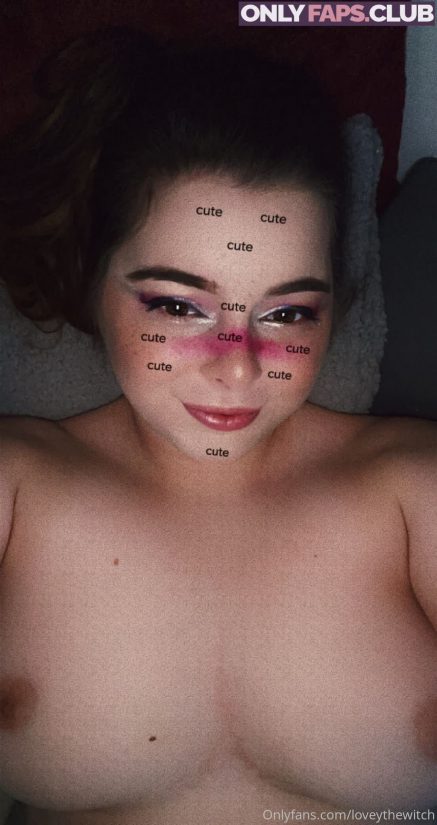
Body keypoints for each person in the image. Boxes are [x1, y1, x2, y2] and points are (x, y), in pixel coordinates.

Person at [1, 26, 437, 825]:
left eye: (288, 312)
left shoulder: (415, 490)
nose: (238, 369)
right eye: (177, 305)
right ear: (91, 277)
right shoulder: (15, 489)